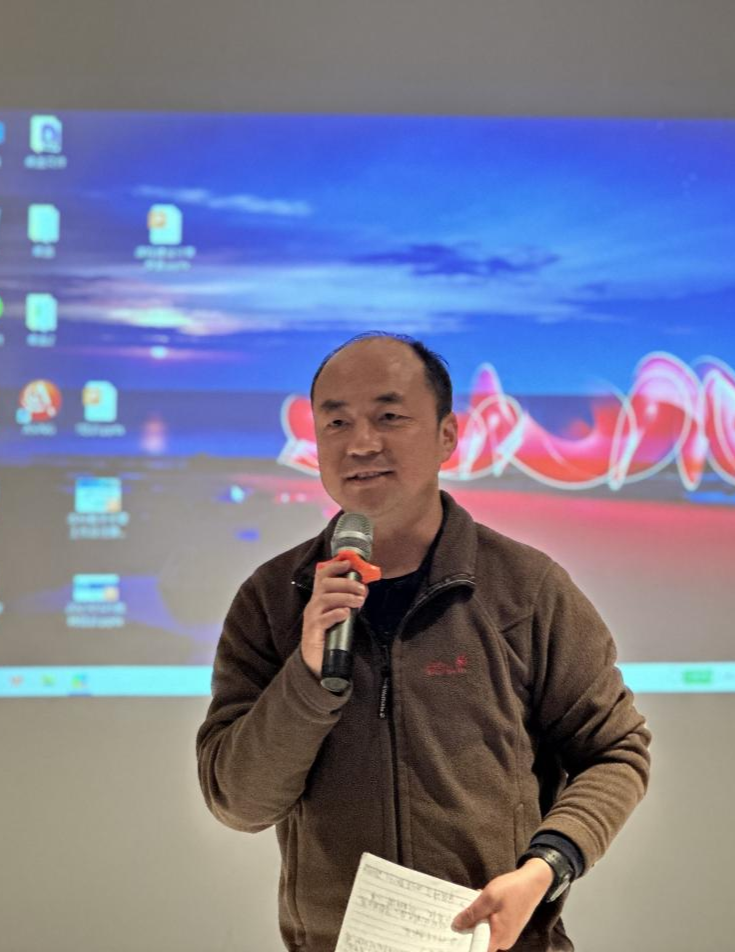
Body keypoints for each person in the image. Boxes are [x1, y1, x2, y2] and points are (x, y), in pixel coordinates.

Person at [196, 334, 651, 951]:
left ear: (447, 435)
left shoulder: (525, 589)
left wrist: (546, 867)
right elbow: (239, 803)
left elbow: (615, 751)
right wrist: (306, 675)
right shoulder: (274, 599)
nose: (361, 443)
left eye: (389, 416)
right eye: (336, 422)